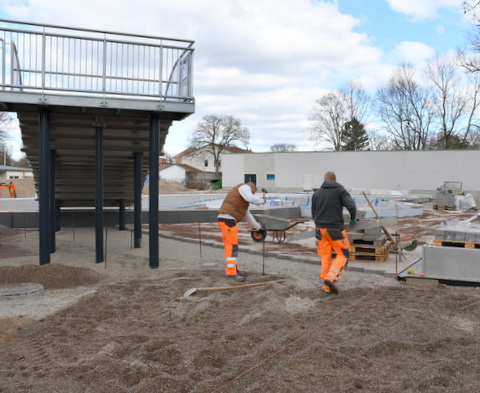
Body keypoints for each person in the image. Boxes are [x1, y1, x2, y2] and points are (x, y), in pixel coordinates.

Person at [311, 171, 357, 295]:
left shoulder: (317, 193)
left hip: (320, 229)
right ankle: (330, 279)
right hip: (335, 229)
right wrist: (353, 219)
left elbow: (313, 213)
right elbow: (351, 206)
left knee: (325, 256)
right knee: (343, 254)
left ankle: (326, 286)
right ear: (335, 180)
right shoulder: (340, 190)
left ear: (324, 179)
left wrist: (319, 224)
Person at [217, 182, 266, 282]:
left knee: (230, 246)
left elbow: (247, 216)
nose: (254, 193)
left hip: (227, 220)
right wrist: (261, 201)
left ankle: (234, 269)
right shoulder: (244, 187)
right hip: (228, 220)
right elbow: (251, 198)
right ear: (252, 187)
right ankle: (230, 273)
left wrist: (258, 228)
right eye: (254, 191)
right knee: (232, 247)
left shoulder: (242, 201)